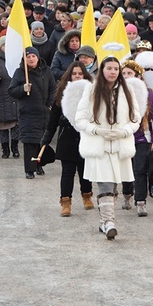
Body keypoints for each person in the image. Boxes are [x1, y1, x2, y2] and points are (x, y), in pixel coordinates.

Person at [74, 56, 142, 240]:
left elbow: (135, 118)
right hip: (99, 147)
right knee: (104, 183)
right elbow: (80, 119)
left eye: (115, 69)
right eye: (109, 68)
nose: (113, 72)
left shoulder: (127, 91)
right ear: (102, 70)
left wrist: (124, 132)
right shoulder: (92, 90)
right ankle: (109, 222)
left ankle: (104, 222)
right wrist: (96, 130)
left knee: (113, 185)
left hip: (120, 147)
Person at [42, 62, 95, 216]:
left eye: (80, 73)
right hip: (67, 137)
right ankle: (65, 202)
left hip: (85, 137)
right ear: (69, 76)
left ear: (84, 75)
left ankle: (87, 196)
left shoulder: (92, 93)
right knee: (67, 172)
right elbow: (53, 120)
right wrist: (46, 138)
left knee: (85, 171)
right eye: (74, 74)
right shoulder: (62, 94)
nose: (77, 76)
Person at [8, 48, 56, 179]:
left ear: (38, 57)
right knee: (29, 141)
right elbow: (11, 90)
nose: (31, 59)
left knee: (41, 140)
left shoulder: (47, 71)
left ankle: (39, 164)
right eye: (28, 57)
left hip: (44, 112)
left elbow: (53, 88)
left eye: (33, 56)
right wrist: (22, 89)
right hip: (28, 112)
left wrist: (50, 104)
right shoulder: (20, 72)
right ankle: (29, 169)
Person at [120, 60, 153, 216]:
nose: (126, 76)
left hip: (142, 137)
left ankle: (141, 201)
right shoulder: (117, 92)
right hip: (124, 136)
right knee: (126, 169)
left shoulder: (147, 93)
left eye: (129, 73)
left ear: (137, 75)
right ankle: (126, 194)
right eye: (123, 74)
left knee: (140, 169)